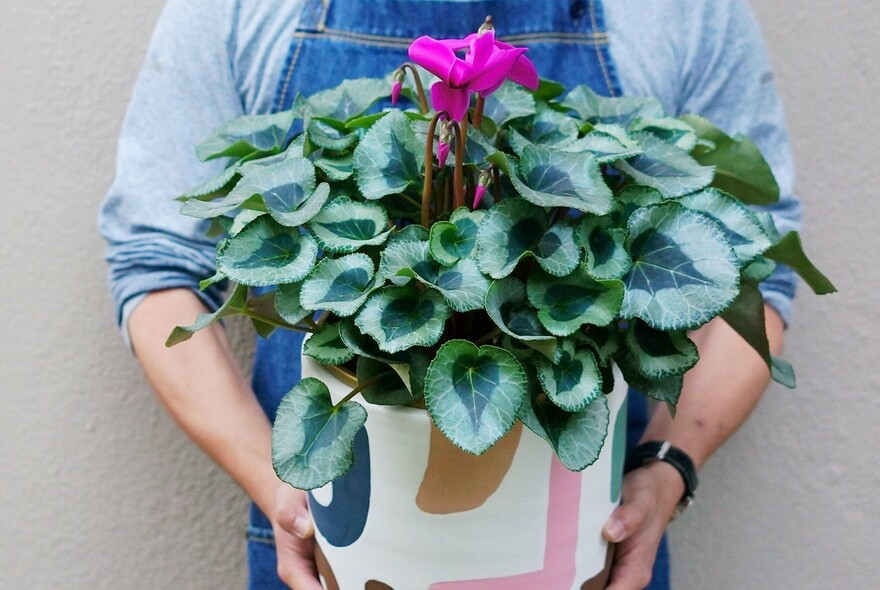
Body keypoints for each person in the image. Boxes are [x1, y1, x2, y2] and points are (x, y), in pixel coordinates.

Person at [99, 0, 800, 588]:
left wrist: (669, 465)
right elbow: (154, 262)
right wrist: (281, 486)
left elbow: (756, 269)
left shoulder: (674, 12)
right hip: (336, 544)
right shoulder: (246, 10)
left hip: (583, 552)